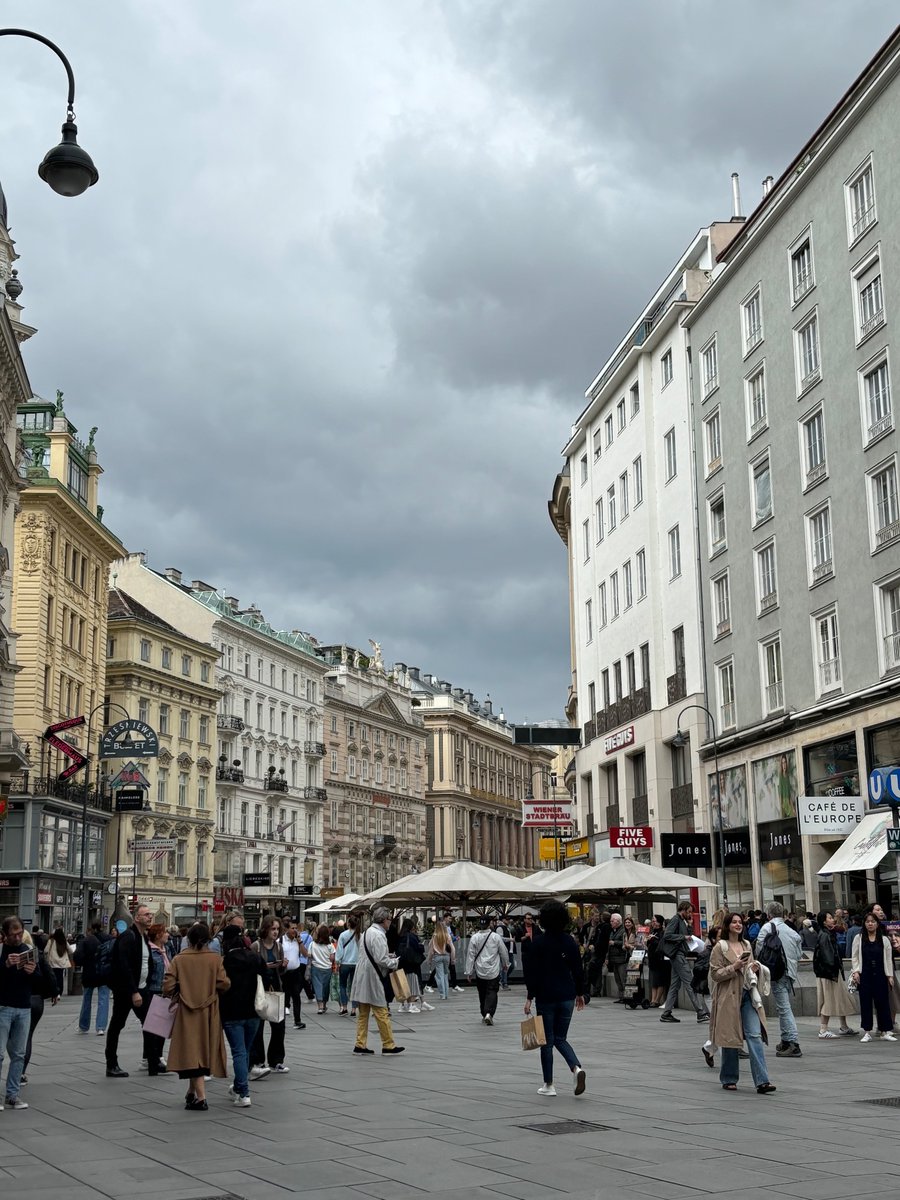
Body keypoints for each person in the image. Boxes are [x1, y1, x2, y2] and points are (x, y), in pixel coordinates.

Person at [163, 922, 230, 1111]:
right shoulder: (215, 959)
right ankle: (195, 1094)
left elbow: (167, 987)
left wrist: (180, 990)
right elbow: (224, 984)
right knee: (202, 1051)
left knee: (192, 1051)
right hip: (209, 1011)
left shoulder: (179, 959)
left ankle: (199, 1097)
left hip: (186, 1012)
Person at [523, 899, 587, 1098]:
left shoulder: (538, 942)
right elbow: (578, 970)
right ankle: (576, 1068)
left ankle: (549, 1084)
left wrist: (529, 997)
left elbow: (533, 973)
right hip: (567, 995)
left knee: (547, 1042)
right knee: (561, 1038)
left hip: (546, 995)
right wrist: (581, 993)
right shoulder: (569, 941)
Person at [709, 912, 775, 1094]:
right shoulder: (720, 947)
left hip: (747, 995)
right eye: (734, 922)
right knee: (730, 1038)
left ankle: (763, 1081)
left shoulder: (746, 944)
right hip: (728, 997)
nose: (738, 925)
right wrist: (734, 967)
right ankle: (729, 1078)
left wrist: (754, 967)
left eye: (740, 922)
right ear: (727, 925)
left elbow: (750, 968)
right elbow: (715, 974)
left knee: (754, 1036)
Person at [105, 904, 160, 1078]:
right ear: (137, 918)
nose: (150, 917)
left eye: (150, 914)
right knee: (117, 1025)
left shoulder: (142, 936)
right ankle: (111, 1064)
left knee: (150, 1025)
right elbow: (124, 966)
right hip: (127, 991)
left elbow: (146, 963)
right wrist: (133, 991)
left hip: (142, 988)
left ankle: (153, 1063)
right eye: (146, 915)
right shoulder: (129, 936)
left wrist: (148, 982)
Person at [220, 923, 266, 1106]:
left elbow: (221, 985)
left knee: (238, 1052)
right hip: (254, 1011)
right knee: (245, 1050)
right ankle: (239, 1087)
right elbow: (267, 975)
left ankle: (244, 1093)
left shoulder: (225, 961)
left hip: (232, 1012)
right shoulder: (255, 957)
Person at [351, 906, 405, 1054]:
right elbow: (381, 959)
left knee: (363, 1012)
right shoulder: (379, 935)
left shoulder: (366, 932)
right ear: (383, 920)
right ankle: (388, 1044)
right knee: (381, 1010)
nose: (390, 923)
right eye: (389, 920)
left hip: (363, 974)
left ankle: (360, 1043)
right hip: (373, 977)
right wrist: (395, 962)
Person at [754, 901, 803, 1058]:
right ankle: (786, 1040)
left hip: (776, 972)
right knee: (783, 1007)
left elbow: (759, 949)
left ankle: (793, 1042)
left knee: (784, 1007)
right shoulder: (790, 930)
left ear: (768, 915)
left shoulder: (767, 928)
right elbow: (798, 953)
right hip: (789, 973)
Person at [0, 916, 37, 1109]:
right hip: (3, 1007)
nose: (17, 937)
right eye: (13, 934)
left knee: (19, 1054)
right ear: (4, 934)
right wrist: (5, 965)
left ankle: (12, 1095)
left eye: (20, 933)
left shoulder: (28, 950)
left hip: (23, 1007)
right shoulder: (1, 951)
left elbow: (38, 981)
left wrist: (33, 971)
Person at [249, 915, 288, 1075]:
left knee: (279, 1026)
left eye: (277, 929)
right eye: (273, 928)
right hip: (260, 988)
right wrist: (262, 966)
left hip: (275, 987)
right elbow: (251, 969)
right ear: (265, 929)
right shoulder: (256, 946)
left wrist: (282, 965)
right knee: (258, 1027)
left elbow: (282, 971)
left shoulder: (279, 947)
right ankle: (258, 1060)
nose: (275, 932)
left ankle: (276, 1060)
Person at [659, 901, 709, 1024]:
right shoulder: (676, 919)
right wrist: (683, 937)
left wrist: (690, 926)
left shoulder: (681, 921)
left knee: (675, 985)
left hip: (678, 955)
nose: (690, 914)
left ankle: (667, 1013)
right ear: (684, 910)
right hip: (678, 955)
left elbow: (687, 935)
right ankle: (700, 1012)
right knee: (690, 982)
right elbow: (668, 935)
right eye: (689, 911)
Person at [851, 912, 896, 1042]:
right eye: (868, 922)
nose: (870, 924)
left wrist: (890, 976)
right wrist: (856, 971)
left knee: (883, 1002)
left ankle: (885, 1030)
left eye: (873, 921)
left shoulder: (884, 939)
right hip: (865, 974)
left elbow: (888, 959)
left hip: (880, 974)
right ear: (864, 924)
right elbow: (854, 957)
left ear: (877, 924)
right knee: (865, 1003)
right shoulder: (858, 938)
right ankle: (867, 1031)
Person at [814, 910, 856, 1039]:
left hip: (831, 972)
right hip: (829, 973)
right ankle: (823, 1029)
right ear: (824, 921)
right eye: (830, 918)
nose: (832, 919)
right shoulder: (825, 935)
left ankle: (843, 1026)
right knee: (829, 1000)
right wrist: (833, 970)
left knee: (840, 998)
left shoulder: (827, 933)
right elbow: (828, 956)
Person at [466, 916, 509, 1026]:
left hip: (480, 970)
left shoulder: (474, 937)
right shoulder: (496, 937)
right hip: (493, 969)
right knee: (492, 991)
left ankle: (484, 1012)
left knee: (482, 992)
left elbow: (470, 955)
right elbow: (503, 952)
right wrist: (505, 964)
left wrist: (469, 972)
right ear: (490, 923)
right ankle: (489, 1012)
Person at [76, 921, 112, 1036]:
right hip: (105, 974)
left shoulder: (86, 940)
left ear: (90, 929)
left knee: (87, 999)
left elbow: (78, 957)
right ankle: (101, 1027)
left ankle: (83, 1026)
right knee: (103, 1000)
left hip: (89, 973)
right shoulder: (109, 939)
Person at [398, 917, 432, 1013]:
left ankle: (402, 1005)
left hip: (401, 964)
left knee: (403, 984)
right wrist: (421, 945)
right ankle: (411, 1004)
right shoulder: (412, 936)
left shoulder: (400, 936)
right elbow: (419, 948)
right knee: (412, 983)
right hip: (412, 963)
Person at [281, 923, 307, 1029]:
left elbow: (305, 954)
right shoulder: (281, 941)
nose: (295, 930)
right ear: (287, 929)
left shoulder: (298, 941)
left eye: (296, 928)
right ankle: (280, 1021)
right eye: (292, 928)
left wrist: (300, 941)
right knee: (283, 996)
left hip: (296, 972)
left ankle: (298, 1020)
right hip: (284, 973)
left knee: (296, 996)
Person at [336, 914, 360, 1017]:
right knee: (354, 986)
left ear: (348, 924)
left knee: (342, 985)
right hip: (356, 963)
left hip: (345, 963)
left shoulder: (343, 935)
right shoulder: (360, 935)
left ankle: (344, 1007)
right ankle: (354, 1009)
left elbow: (339, 950)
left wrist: (337, 961)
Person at [309, 924, 336, 1015]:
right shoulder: (330, 945)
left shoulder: (312, 944)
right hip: (327, 968)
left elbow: (310, 955)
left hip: (316, 967)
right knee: (325, 987)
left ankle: (320, 1006)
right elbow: (332, 958)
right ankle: (324, 1004)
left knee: (317, 986)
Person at [584, 911, 611, 999]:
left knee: (591, 968)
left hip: (598, 952)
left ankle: (595, 989)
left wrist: (595, 946)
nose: (598, 918)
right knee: (590, 968)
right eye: (596, 916)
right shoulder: (588, 926)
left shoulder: (604, 926)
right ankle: (592, 989)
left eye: (599, 916)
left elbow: (602, 940)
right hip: (591, 950)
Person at [426, 920, 455, 1001]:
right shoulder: (447, 935)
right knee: (445, 974)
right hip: (446, 957)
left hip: (438, 956)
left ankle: (442, 994)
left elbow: (431, 949)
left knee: (440, 976)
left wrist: (429, 960)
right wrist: (453, 958)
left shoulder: (435, 936)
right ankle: (446, 993)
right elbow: (453, 948)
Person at [646, 914, 671, 1008]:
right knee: (653, 981)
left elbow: (661, 944)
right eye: (652, 921)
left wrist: (653, 940)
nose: (653, 923)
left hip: (660, 960)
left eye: (655, 921)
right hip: (652, 959)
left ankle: (657, 1000)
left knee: (660, 980)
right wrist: (648, 940)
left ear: (660, 923)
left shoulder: (662, 932)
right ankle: (653, 999)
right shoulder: (653, 932)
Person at [45, 927, 73, 995]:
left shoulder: (51, 941)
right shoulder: (64, 941)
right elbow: (71, 951)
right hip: (61, 963)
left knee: (53, 977)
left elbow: (45, 951)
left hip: (52, 963)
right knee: (60, 977)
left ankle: (54, 991)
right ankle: (60, 992)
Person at [497, 918, 515, 989]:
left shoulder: (507, 928)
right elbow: (500, 938)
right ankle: (504, 983)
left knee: (511, 966)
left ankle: (502, 979)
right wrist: (510, 939)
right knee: (505, 967)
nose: (509, 920)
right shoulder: (500, 928)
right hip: (504, 950)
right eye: (507, 919)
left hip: (509, 950)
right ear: (503, 920)